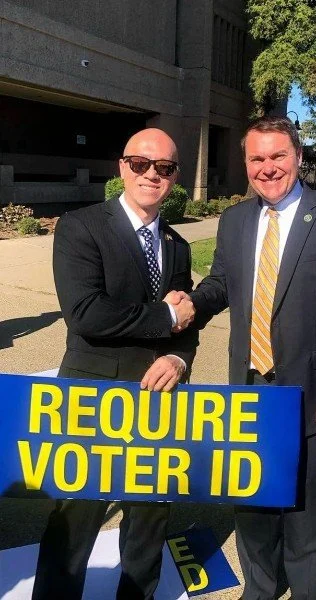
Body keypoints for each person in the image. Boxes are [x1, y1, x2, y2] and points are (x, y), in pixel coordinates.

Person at [185, 116, 316, 599]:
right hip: (248, 392)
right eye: (257, 158)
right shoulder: (235, 220)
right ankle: (260, 589)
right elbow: (222, 285)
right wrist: (191, 303)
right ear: (245, 163)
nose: (268, 168)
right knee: (252, 504)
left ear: (297, 157)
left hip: (314, 396)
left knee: (310, 512)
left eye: (278, 156)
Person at [32, 128, 197, 600]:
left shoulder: (177, 245)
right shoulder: (81, 226)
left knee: (148, 521)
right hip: (92, 399)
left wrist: (178, 357)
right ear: (122, 167)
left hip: (160, 402)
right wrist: (166, 316)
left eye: (164, 167)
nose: (152, 174)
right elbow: (86, 313)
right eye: (140, 163)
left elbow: (188, 322)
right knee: (75, 522)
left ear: (174, 177)